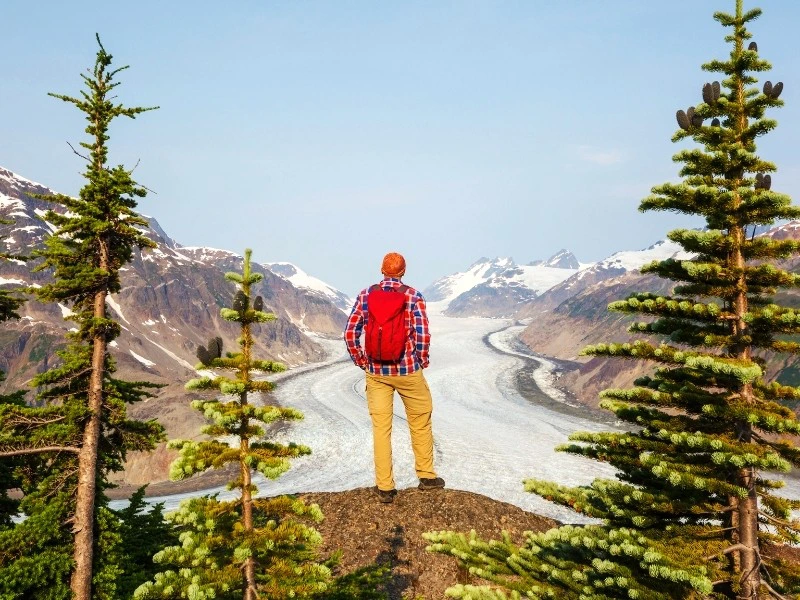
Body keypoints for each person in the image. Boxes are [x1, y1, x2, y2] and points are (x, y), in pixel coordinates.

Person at [344, 252, 445, 503]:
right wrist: (421, 360)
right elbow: (422, 334)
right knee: (420, 421)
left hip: (376, 372)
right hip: (408, 370)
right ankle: (427, 476)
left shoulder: (367, 295)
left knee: (381, 428)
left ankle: (385, 487)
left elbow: (349, 332)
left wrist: (361, 360)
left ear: (382, 270)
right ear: (403, 271)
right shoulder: (413, 296)